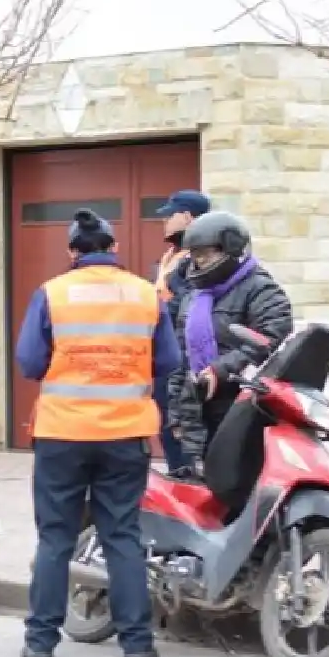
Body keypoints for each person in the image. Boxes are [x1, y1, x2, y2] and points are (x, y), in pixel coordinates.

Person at [15, 209, 181, 657]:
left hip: (63, 432)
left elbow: (29, 362)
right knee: (122, 536)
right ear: (115, 249)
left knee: (55, 538)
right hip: (126, 432)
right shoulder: (147, 296)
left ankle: (41, 640)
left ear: (72, 252)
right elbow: (168, 361)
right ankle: (137, 643)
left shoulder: (52, 294)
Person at [166, 211, 293, 466]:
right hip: (198, 407)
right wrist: (177, 412)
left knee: (239, 477)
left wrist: (220, 370)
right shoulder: (193, 296)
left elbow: (271, 333)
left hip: (242, 400)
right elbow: (181, 356)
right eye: (195, 254)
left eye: (206, 253)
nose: (199, 261)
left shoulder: (260, 288)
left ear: (231, 249)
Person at [152, 190, 211, 475]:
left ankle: (189, 481)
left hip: (183, 353)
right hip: (166, 348)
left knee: (179, 425)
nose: (164, 222)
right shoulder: (173, 256)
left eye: (170, 215)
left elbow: (188, 300)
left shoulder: (198, 258)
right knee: (167, 424)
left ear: (188, 217)